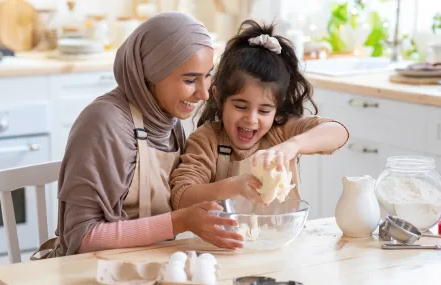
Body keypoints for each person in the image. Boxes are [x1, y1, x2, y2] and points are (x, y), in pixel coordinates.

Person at [32, 12, 245, 259]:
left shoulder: (170, 120)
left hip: (148, 265)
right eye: (189, 80)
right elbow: (81, 238)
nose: (204, 94)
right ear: (150, 75)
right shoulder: (104, 123)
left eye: (208, 75)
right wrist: (180, 221)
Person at [170, 20, 350, 211]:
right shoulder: (207, 141)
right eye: (240, 106)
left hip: (282, 239)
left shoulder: (280, 132)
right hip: (221, 240)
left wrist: (292, 146)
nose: (252, 119)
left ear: (277, 108)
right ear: (219, 97)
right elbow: (181, 197)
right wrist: (235, 186)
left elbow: (338, 133)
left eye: (264, 111)